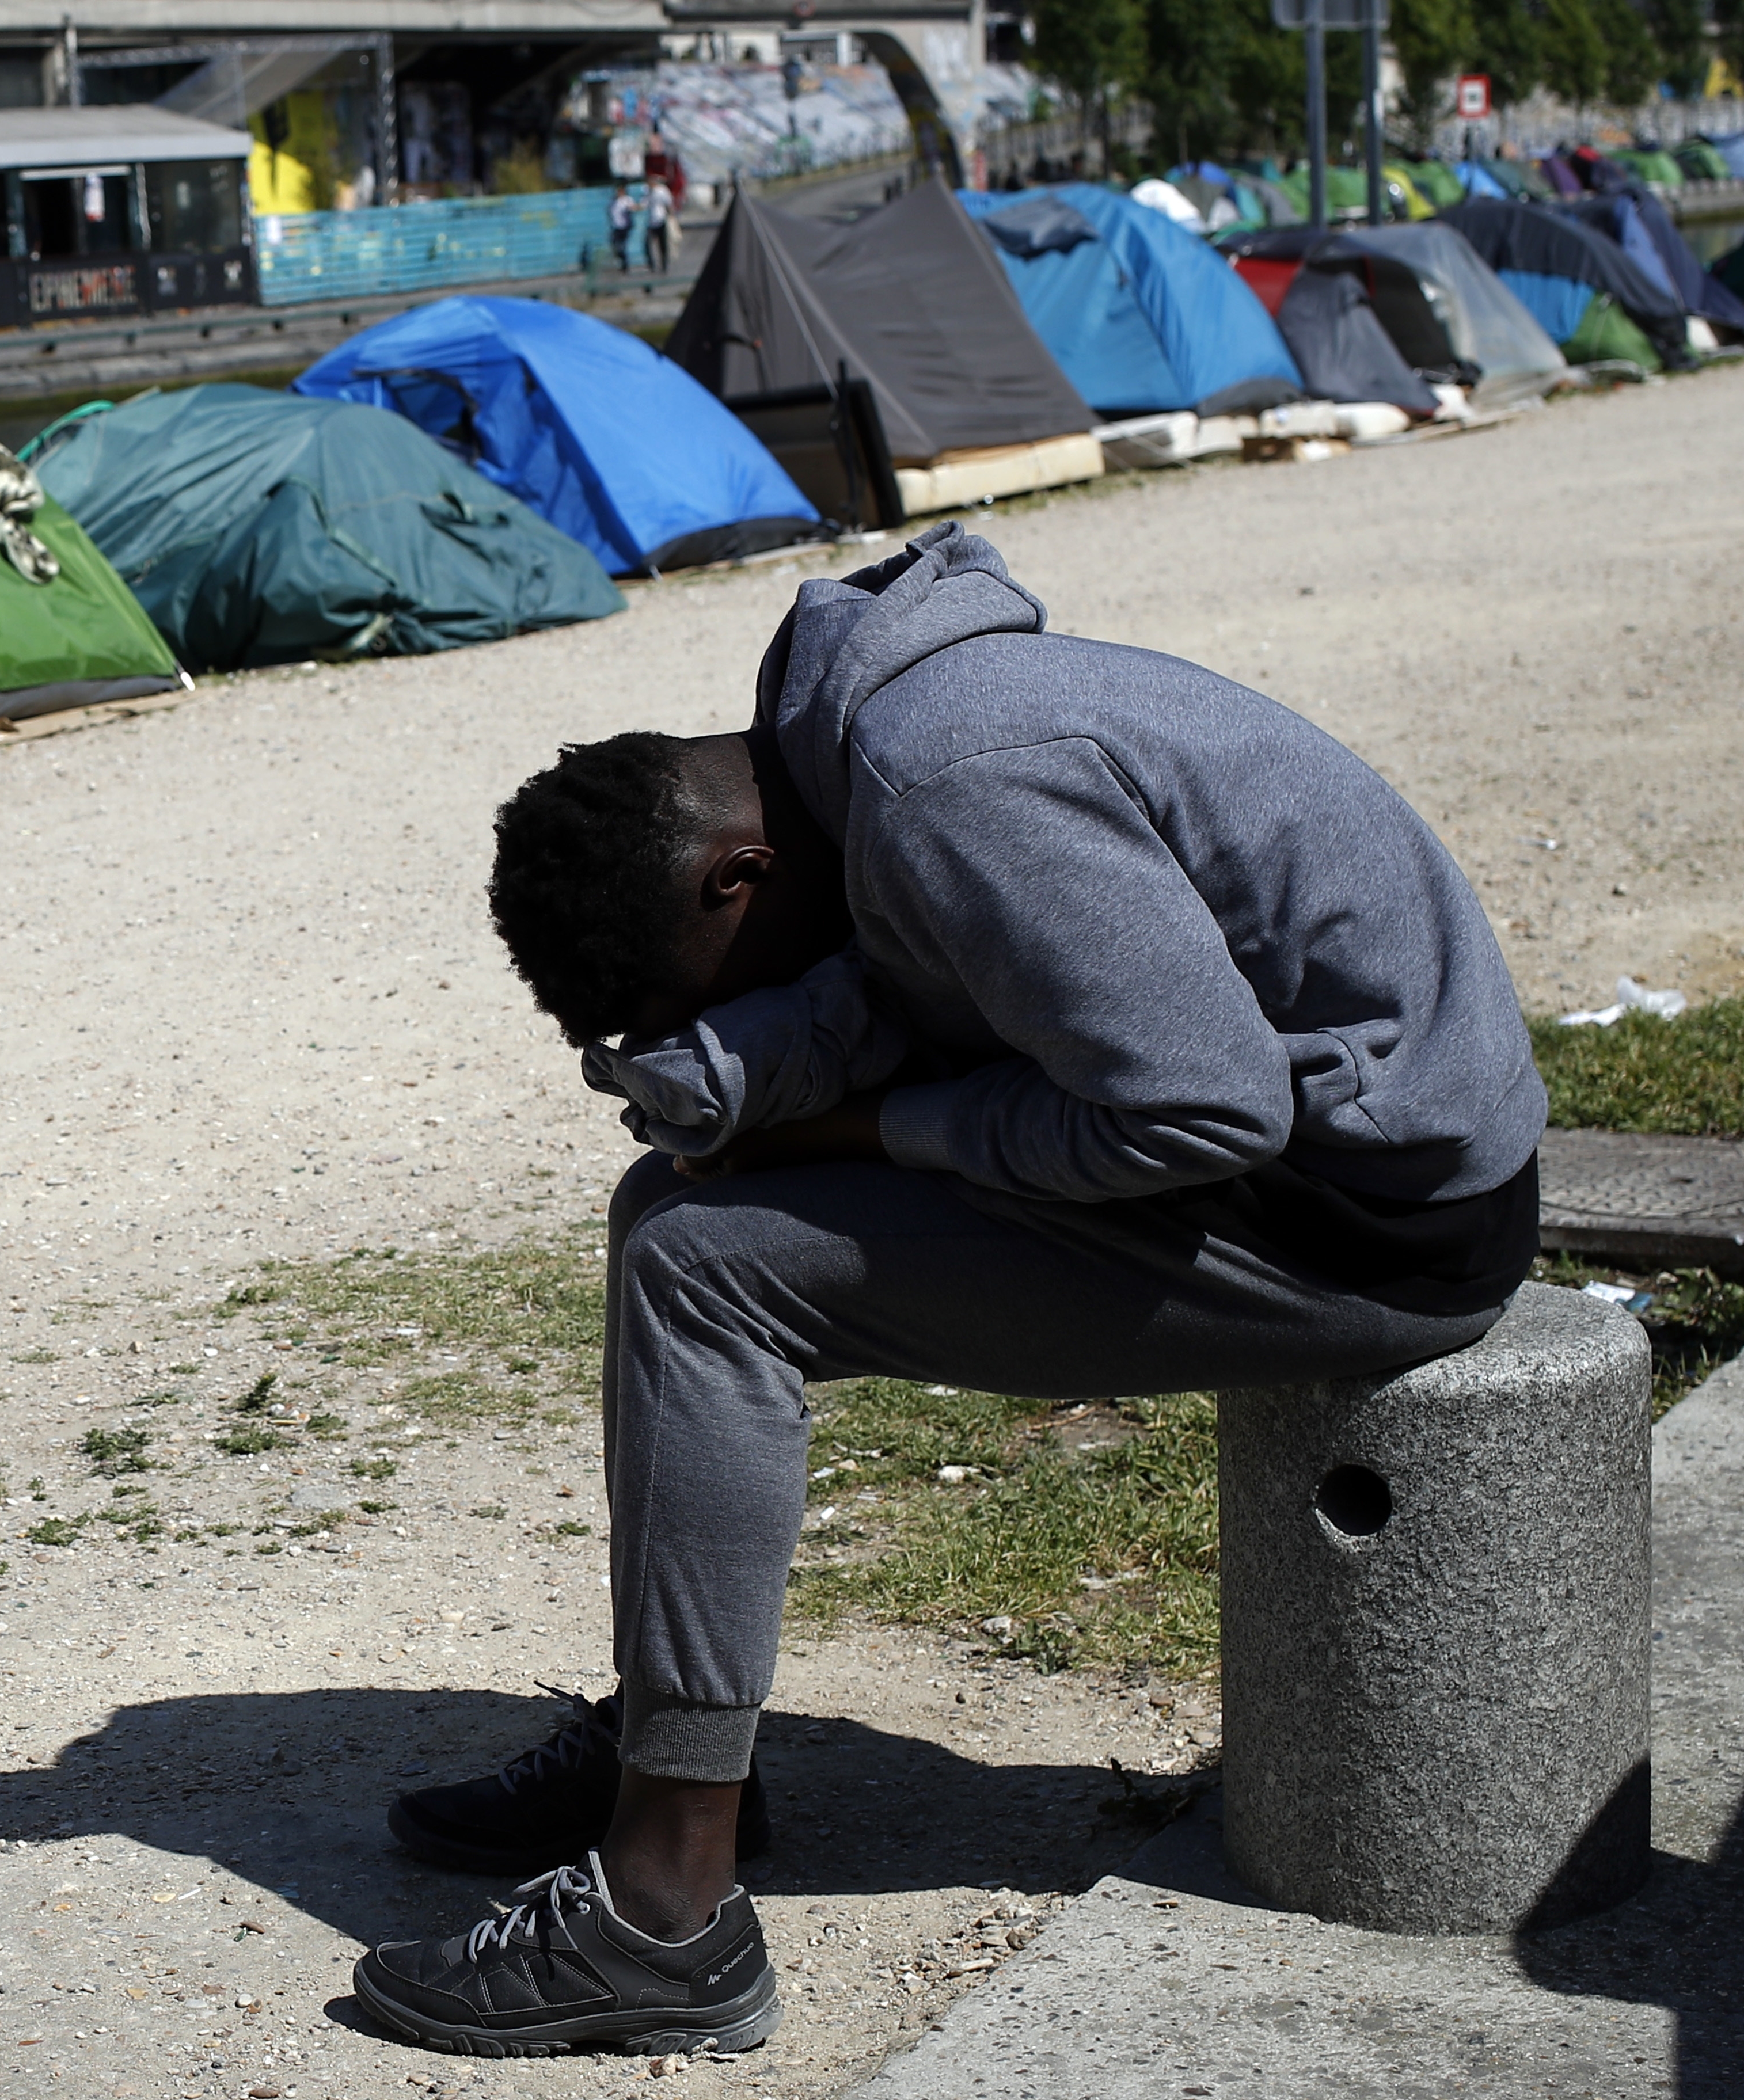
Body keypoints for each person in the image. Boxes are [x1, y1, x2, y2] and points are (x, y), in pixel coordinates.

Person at [349, 523, 1542, 2057]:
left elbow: (1201, 1111)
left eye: (696, 986)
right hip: (1313, 1166)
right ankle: (678, 1745)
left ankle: (664, 1915)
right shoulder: (860, 734)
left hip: (1366, 1225)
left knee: (706, 1274)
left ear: (737, 876)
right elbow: (916, 980)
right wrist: (730, 1076)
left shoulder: (946, 792)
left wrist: (852, 1125)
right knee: (675, 1211)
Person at [642, 177, 675, 273]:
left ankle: (664, 264)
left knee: (663, 244)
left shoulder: (662, 190)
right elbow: (644, 203)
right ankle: (652, 265)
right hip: (650, 222)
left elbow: (668, 203)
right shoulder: (647, 191)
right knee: (647, 244)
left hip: (661, 219)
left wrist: (671, 216)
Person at [606, 184, 636, 273]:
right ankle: (621, 262)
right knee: (615, 245)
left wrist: (631, 209)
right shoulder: (613, 201)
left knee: (622, 246)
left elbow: (633, 208)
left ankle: (625, 266)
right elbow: (610, 212)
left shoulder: (627, 200)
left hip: (625, 227)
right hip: (616, 226)